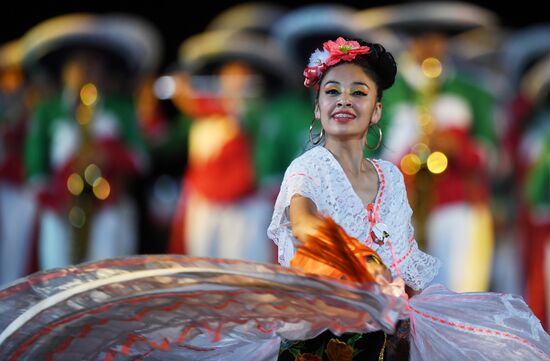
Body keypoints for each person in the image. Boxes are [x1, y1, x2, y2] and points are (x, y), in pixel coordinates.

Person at [267, 36, 439, 360]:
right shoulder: (308, 167)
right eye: (332, 91)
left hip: (384, 336)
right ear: (318, 109)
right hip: (320, 337)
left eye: (358, 92)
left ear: (376, 111)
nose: (344, 100)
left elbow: (403, 259)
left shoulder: (390, 176)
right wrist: (366, 261)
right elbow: (304, 226)